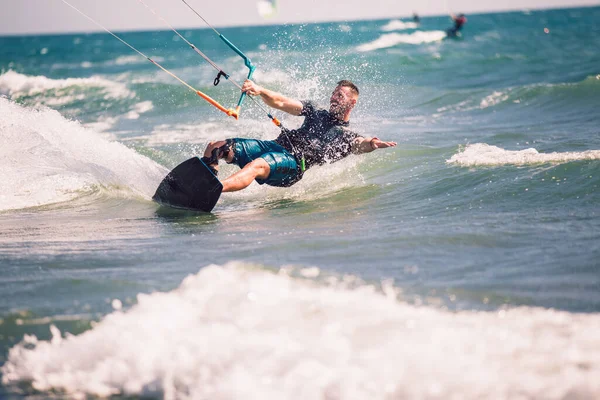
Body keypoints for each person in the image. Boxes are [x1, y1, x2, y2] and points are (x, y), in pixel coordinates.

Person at [200, 79, 397, 193]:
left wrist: (372, 143)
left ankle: (211, 191)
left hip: (292, 166)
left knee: (256, 166)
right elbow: (281, 102)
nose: (333, 98)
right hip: (275, 146)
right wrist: (260, 90)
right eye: (334, 93)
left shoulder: (344, 135)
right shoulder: (315, 111)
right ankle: (204, 182)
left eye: (340, 96)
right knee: (216, 147)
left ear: (351, 104)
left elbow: (359, 144)